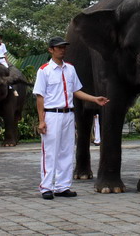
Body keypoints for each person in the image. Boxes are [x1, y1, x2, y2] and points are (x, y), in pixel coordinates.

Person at [34, 36, 109, 200]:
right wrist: (41, 120)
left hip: (68, 114)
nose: (63, 50)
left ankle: (62, 186)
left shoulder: (70, 69)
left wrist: (94, 99)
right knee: (50, 152)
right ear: (51, 50)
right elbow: (40, 96)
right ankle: (46, 187)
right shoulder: (44, 70)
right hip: (52, 114)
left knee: (66, 151)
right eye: (59, 47)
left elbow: (76, 91)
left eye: (64, 47)